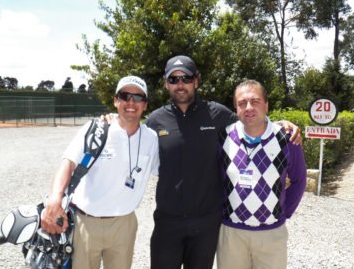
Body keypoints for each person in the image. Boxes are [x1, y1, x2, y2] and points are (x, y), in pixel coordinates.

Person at [145, 55, 302, 269]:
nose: (180, 84)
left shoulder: (217, 114)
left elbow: (251, 120)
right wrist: (113, 119)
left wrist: (281, 125)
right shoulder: (155, 120)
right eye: (173, 79)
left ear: (196, 81)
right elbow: (131, 133)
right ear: (166, 83)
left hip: (207, 224)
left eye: (186, 78)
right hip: (167, 221)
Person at [41, 76, 160, 269]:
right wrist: (55, 200)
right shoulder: (95, 129)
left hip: (124, 224)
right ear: (116, 100)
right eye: (125, 96)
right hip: (87, 223)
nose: (131, 102)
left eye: (137, 98)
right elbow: (68, 163)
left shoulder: (151, 138)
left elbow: (166, 170)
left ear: (145, 105)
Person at [217, 79, 306, 269]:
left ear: (266, 105)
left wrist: (281, 212)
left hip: (271, 235)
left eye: (255, 101)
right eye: (242, 103)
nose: (248, 107)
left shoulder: (287, 138)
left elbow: (299, 180)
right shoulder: (224, 137)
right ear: (236, 108)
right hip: (232, 234)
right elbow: (215, 180)